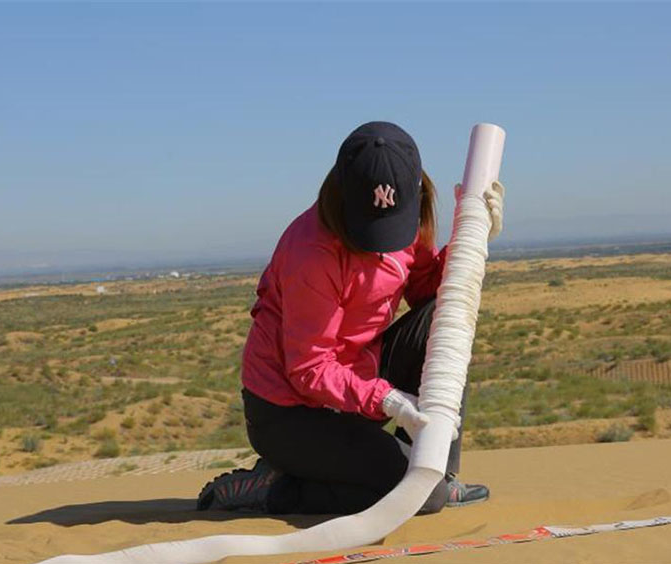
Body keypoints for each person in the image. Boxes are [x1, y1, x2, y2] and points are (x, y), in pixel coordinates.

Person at [197, 121, 505, 515]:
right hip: (292, 414)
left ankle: (438, 470)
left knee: (445, 320)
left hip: (357, 380)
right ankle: (273, 488)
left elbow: (425, 289)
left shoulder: (409, 213)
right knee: (424, 498)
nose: (381, 241)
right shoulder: (311, 254)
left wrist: (474, 239)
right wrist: (387, 399)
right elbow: (309, 369)